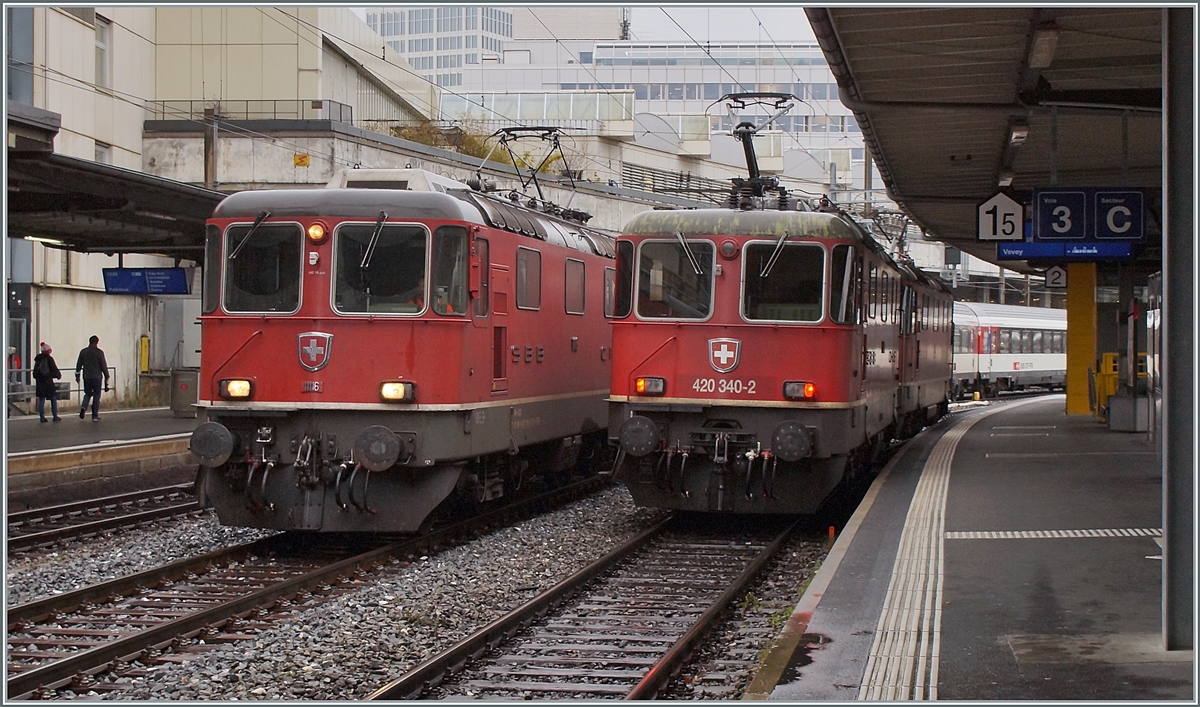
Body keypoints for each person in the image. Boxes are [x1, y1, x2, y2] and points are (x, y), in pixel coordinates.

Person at [75, 335, 109, 421]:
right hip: (97, 376)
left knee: (88, 393)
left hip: (87, 376)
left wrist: (77, 375)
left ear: (89, 341)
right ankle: (94, 415)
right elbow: (103, 365)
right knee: (96, 395)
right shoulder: (99, 352)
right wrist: (106, 376)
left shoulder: (83, 352)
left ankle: (83, 407)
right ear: (97, 342)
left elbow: (79, 364)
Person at [32, 342, 62, 422]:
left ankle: (42, 417)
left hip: (40, 383)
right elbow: (54, 369)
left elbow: (34, 374)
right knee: (53, 398)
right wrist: (57, 375)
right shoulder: (49, 359)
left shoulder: (37, 360)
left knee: (41, 400)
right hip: (48, 383)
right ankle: (55, 416)